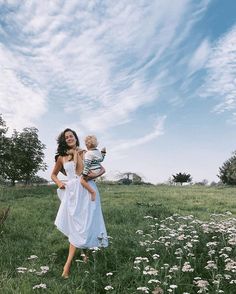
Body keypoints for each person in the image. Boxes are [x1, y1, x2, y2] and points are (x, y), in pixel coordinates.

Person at [51, 128, 108, 279]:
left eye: (71, 136)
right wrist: (59, 183)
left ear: (76, 138)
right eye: (66, 137)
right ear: (64, 140)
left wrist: (92, 176)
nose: (69, 138)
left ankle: (84, 253)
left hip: (87, 191)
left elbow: (102, 169)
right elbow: (53, 174)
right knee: (77, 228)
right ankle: (67, 266)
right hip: (72, 194)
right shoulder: (61, 157)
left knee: (87, 225)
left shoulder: (85, 153)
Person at [80, 135, 106, 201]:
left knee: (82, 180)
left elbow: (87, 165)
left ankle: (92, 192)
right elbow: (101, 159)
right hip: (98, 169)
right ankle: (92, 185)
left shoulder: (88, 154)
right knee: (90, 181)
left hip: (93, 171)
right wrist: (103, 153)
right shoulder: (98, 152)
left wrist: (84, 174)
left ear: (87, 145)